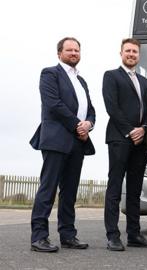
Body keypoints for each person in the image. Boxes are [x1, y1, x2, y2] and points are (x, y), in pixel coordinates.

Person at [29, 37, 95, 252]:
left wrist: (89, 124)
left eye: (77, 50)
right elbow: (53, 104)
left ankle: (68, 235)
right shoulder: (49, 73)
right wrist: (78, 125)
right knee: (48, 189)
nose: (74, 53)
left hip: (78, 142)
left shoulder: (82, 80)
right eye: (69, 50)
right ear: (59, 53)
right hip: (57, 139)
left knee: (70, 192)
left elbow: (90, 109)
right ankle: (39, 237)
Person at [102, 38, 147, 251]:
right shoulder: (111, 76)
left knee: (135, 190)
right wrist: (130, 130)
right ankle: (112, 236)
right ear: (121, 53)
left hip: (140, 141)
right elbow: (111, 107)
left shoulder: (144, 81)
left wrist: (143, 129)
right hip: (119, 138)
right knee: (115, 187)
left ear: (139, 55)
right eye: (128, 51)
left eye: (135, 51)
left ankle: (134, 234)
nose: (131, 54)